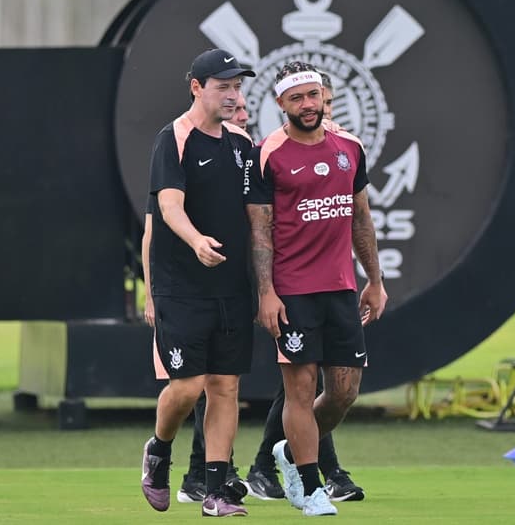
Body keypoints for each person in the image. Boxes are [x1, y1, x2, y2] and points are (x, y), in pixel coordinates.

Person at [244, 61, 388, 516]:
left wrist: (375, 281)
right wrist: (267, 292)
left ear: (325, 97)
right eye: (297, 98)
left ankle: (288, 451)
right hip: (293, 291)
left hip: (341, 287)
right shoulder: (268, 153)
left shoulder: (350, 146)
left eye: (314, 96)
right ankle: (310, 487)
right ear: (280, 103)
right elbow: (260, 231)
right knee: (299, 390)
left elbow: (360, 218)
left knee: (344, 393)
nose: (308, 105)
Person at [140, 48, 255, 518]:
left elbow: (260, 216)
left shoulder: (243, 145)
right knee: (187, 387)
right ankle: (160, 450)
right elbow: (168, 208)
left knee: (226, 387)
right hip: (180, 285)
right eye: (223, 86)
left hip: (231, 288)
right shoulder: (174, 138)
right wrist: (195, 241)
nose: (233, 95)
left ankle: (214, 491)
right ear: (196, 87)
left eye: (238, 86)